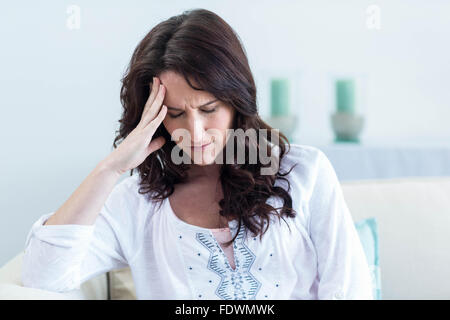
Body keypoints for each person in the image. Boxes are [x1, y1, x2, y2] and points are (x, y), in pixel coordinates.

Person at [21, 8, 373, 300]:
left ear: (236, 101)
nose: (196, 133)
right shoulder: (137, 204)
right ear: (154, 117)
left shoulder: (304, 172)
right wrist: (111, 169)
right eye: (175, 114)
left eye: (209, 109)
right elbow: (43, 276)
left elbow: (348, 289)